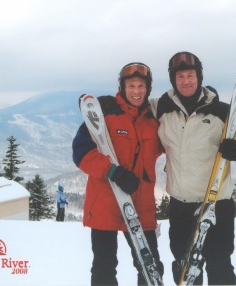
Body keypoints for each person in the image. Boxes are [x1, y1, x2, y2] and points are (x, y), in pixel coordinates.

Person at [149, 51, 236, 285]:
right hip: (180, 204)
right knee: (184, 268)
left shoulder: (221, 111)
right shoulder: (161, 108)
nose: (186, 81)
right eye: (180, 76)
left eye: (191, 75)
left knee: (219, 265)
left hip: (217, 202)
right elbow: (132, 106)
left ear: (199, 77)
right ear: (173, 80)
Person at [72, 62, 164, 285]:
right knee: (104, 268)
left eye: (141, 86)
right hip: (106, 205)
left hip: (141, 207)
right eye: (131, 85)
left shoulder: (153, 119)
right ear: (123, 87)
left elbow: (174, 144)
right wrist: (113, 171)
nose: (136, 91)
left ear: (148, 89)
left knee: (151, 267)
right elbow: (81, 152)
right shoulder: (107, 111)